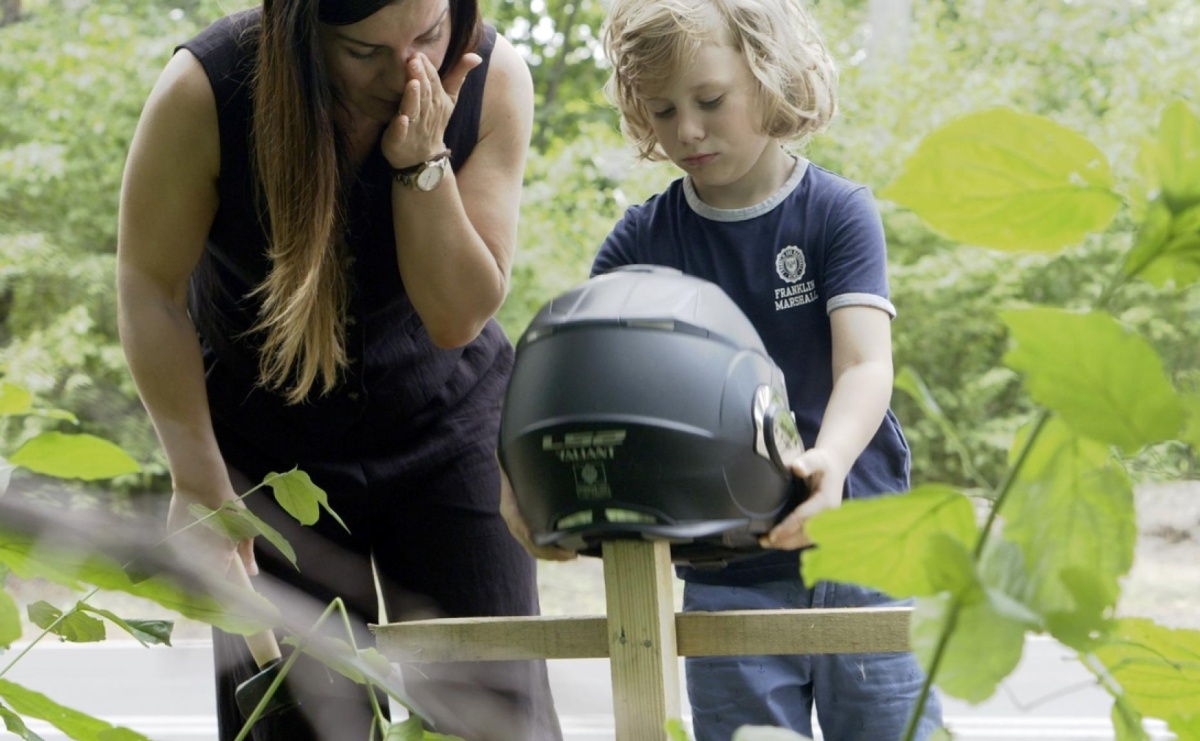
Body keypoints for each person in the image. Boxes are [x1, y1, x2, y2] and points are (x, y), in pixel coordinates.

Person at [115, 0, 562, 739]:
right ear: (303, 31)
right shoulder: (208, 86)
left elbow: (457, 316)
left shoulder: (495, 75)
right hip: (266, 443)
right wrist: (197, 478)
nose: (407, 72)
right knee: (296, 719)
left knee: (493, 712)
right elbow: (148, 287)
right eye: (364, 52)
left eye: (427, 35)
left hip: (448, 423)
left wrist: (422, 160)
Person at [512, 0, 945, 737]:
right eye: (662, 109)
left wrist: (829, 463)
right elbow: (575, 376)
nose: (686, 129)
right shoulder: (641, 239)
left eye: (710, 100)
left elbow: (867, 364)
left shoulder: (837, 212)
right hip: (723, 574)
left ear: (770, 76)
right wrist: (523, 486)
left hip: (863, 554)